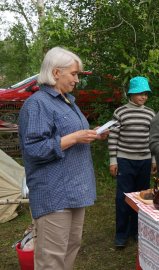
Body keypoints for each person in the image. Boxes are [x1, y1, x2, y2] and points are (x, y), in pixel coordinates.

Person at [18, 46, 109, 269]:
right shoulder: (38, 103)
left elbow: (70, 134)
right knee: (52, 257)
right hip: (54, 192)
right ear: (56, 72)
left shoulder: (67, 100)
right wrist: (75, 138)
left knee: (70, 247)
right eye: (74, 73)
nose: (77, 79)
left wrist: (93, 133)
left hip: (75, 190)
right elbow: (34, 149)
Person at [108, 76, 156, 247]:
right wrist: (113, 160)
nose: (143, 97)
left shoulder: (150, 113)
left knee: (141, 198)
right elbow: (113, 136)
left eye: (146, 94)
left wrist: (153, 159)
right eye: (140, 93)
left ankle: (137, 231)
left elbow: (153, 139)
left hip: (144, 161)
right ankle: (121, 234)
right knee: (123, 197)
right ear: (131, 93)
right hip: (125, 160)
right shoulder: (120, 112)